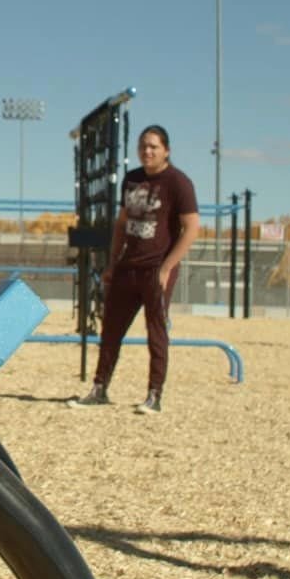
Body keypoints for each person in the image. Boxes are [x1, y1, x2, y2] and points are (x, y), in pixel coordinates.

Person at [71, 125, 199, 414]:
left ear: (166, 150)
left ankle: (154, 394)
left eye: (153, 146)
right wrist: (113, 263)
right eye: (143, 146)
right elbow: (121, 225)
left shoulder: (178, 183)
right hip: (128, 267)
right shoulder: (132, 180)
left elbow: (191, 229)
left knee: (156, 332)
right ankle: (99, 388)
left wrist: (167, 267)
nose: (147, 151)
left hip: (157, 268)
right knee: (111, 329)